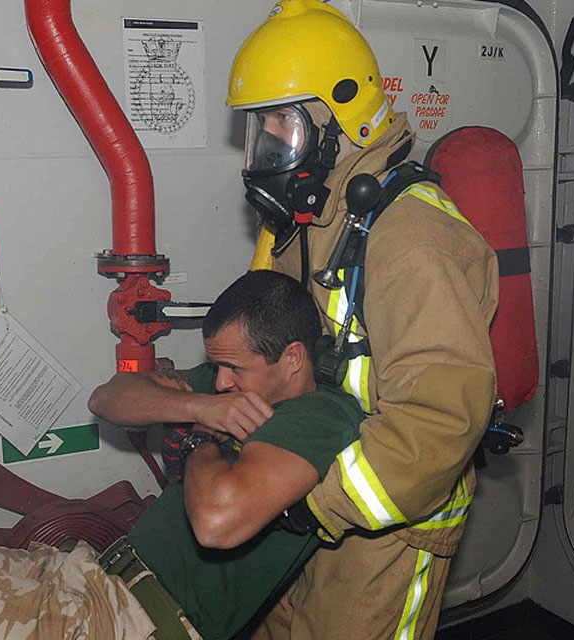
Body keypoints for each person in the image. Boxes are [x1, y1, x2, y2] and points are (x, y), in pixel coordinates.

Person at [0, 270, 364, 640]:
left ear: (293, 357)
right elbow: (109, 397)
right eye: (217, 368)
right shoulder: (229, 387)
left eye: (234, 368)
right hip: (90, 576)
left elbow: (216, 520)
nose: (224, 380)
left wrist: (197, 438)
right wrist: (197, 404)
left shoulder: (320, 419)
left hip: (128, 622)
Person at [225, 1, 499, 638]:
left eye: (281, 128)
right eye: (259, 131)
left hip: (390, 525)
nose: (268, 149)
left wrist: (318, 505)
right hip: (313, 495)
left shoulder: (412, 237)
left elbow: (438, 418)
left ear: (340, 121)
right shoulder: (314, 224)